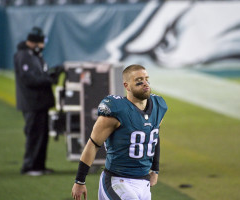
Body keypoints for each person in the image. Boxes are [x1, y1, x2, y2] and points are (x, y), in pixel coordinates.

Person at [71, 64, 168, 200]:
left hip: (143, 182)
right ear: (127, 86)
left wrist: (155, 169)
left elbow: (154, 137)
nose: (145, 83)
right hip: (117, 181)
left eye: (146, 79)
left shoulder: (158, 105)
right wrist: (80, 181)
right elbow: (93, 144)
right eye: (139, 81)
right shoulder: (116, 110)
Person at [14, 27, 61, 176]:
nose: (43, 46)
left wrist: (51, 73)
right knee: (34, 134)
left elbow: (40, 74)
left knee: (42, 135)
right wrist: (49, 79)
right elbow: (28, 79)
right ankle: (29, 167)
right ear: (35, 42)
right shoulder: (23, 55)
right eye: (41, 42)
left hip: (41, 102)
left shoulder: (34, 55)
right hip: (32, 102)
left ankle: (39, 166)